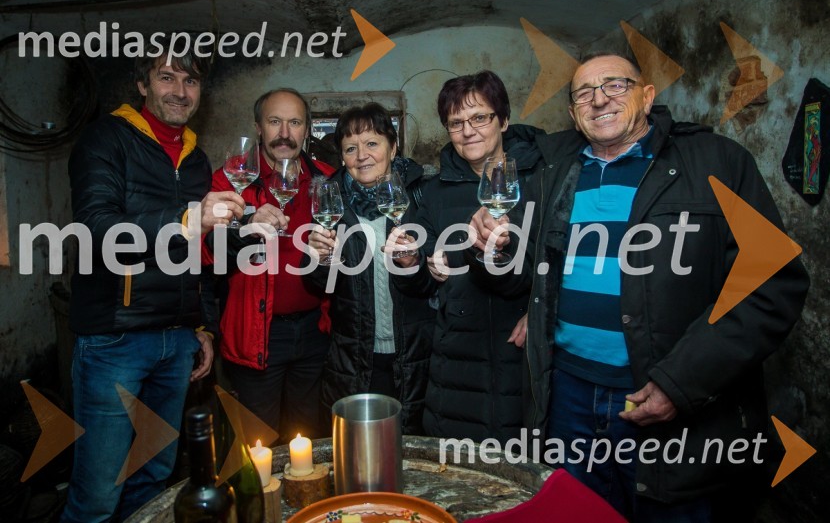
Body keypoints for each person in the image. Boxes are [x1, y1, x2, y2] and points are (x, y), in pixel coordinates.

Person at [468, 53, 810, 521]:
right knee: (580, 513)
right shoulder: (553, 173)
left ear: (647, 96)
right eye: (584, 92)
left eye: (615, 85)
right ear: (572, 113)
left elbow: (773, 285)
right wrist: (495, 249)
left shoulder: (717, 162)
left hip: (665, 397)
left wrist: (681, 382)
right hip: (567, 393)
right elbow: (528, 276)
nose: (599, 99)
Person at [63, 49, 245, 522]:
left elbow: (199, 254)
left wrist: (201, 326)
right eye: (167, 77)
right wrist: (191, 216)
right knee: (99, 493)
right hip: (115, 338)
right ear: (142, 85)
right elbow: (98, 230)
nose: (180, 91)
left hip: (177, 338)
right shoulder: (105, 140)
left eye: (191, 82)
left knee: (152, 479)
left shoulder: (196, 157)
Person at [391, 71, 544, 443]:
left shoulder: (542, 179)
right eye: (456, 123)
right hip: (457, 363)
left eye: (479, 117)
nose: (467, 130)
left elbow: (564, 259)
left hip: (522, 357)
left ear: (503, 120)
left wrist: (540, 310)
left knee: (521, 479)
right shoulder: (433, 192)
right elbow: (422, 282)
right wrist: (410, 264)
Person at [203, 88, 334, 442]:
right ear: (259, 127)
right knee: (257, 440)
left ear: (308, 128)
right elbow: (207, 252)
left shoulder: (326, 178)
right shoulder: (230, 180)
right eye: (275, 121)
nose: (285, 133)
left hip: (314, 331)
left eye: (295, 122)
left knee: (308, 437)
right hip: (257, 330)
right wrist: (246, 224)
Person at [305, 102, 434, 433]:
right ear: (343, 159)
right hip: (354, 356)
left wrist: (414, 264)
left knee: (415, 457)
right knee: (358, 455)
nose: (362, 155)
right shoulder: (331, 203)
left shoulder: (422, 196)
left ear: (393, 147)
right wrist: (319, 261)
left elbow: (435, 282)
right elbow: (319, 285)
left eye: (372, 143)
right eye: (350, 148)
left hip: (417, 355)